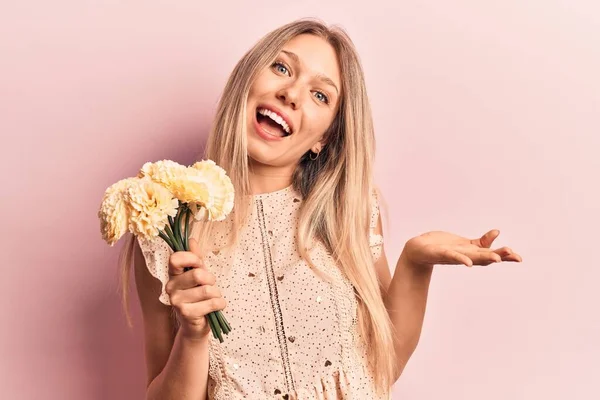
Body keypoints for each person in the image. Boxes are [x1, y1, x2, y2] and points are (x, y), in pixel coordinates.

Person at [119, 18, 522, 400]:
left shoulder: (349, 214)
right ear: (245, 80)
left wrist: (416, 261)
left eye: (320, 94)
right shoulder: (164, 230)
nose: (291, 94)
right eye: (281, 67)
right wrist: (193, 335)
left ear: (323, 139)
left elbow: (379, 369)